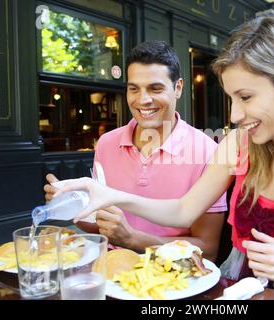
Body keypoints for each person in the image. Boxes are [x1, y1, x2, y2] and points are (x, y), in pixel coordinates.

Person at [56, 16, 274, 299]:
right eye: (230, 98)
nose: (236, 114)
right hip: (231, 287)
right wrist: (111, 196)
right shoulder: (238, 145)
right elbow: (184, 210)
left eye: (246, 97)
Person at [44, 40, 227, 262]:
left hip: (175, 280)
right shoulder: (106, 143)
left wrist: (134, 240)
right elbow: (101, 225)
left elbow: (208, 250)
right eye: (134, 89)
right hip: (112, 272)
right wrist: (70, 204)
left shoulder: (208, 151)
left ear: (178, 88)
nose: (142, 100)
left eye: (155, 88)